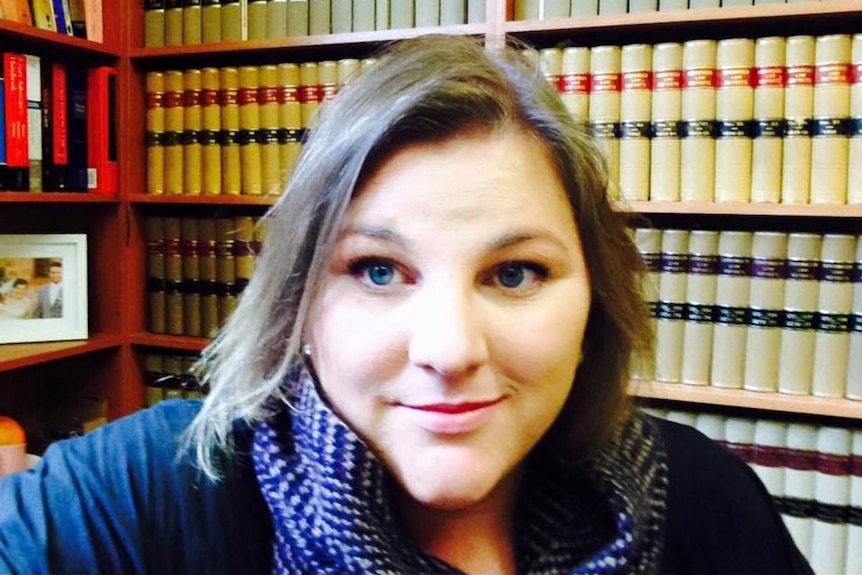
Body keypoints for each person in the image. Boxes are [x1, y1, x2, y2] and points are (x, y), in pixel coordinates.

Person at [0, 35, 811, 575]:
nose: (450, 349)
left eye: (517, 272)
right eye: (379, 270)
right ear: (301, 301)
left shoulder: (704, 500)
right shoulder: (146, 494)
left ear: (597, 296)